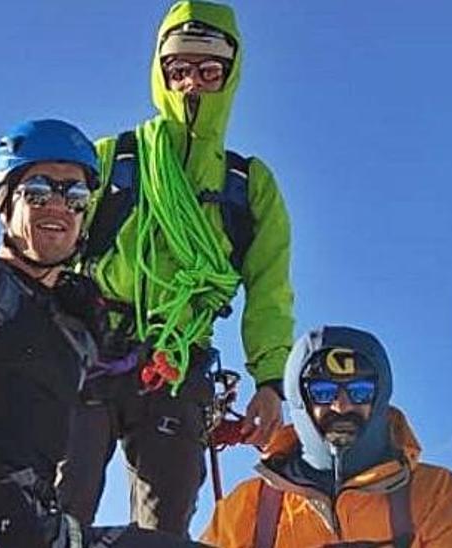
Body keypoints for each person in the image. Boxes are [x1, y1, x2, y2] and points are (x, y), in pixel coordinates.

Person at [0, 119, 206, 548]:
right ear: (4, 203)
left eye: (75, 196)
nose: (58, 206)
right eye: (37, 192)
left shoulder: (74, 321)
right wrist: (3, 512)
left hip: (37, 525)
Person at [57, 0, 295, 538]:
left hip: (179, 364)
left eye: (209, 72)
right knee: (56, 513)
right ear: (160, 73)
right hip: (89, 350)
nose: (192, 85)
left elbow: (270, 289)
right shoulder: (109, 160)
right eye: (179, 70)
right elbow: (48, 245)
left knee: (166, 530)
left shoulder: (249, 187)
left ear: (231, 76)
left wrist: (271, 381)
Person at [201, 326, 452, 547]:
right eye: (324, 393)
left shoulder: (433, 494)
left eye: (359, 392)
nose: (341, 406)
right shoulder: (249, 505)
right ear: (301, 401)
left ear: (379, 399)